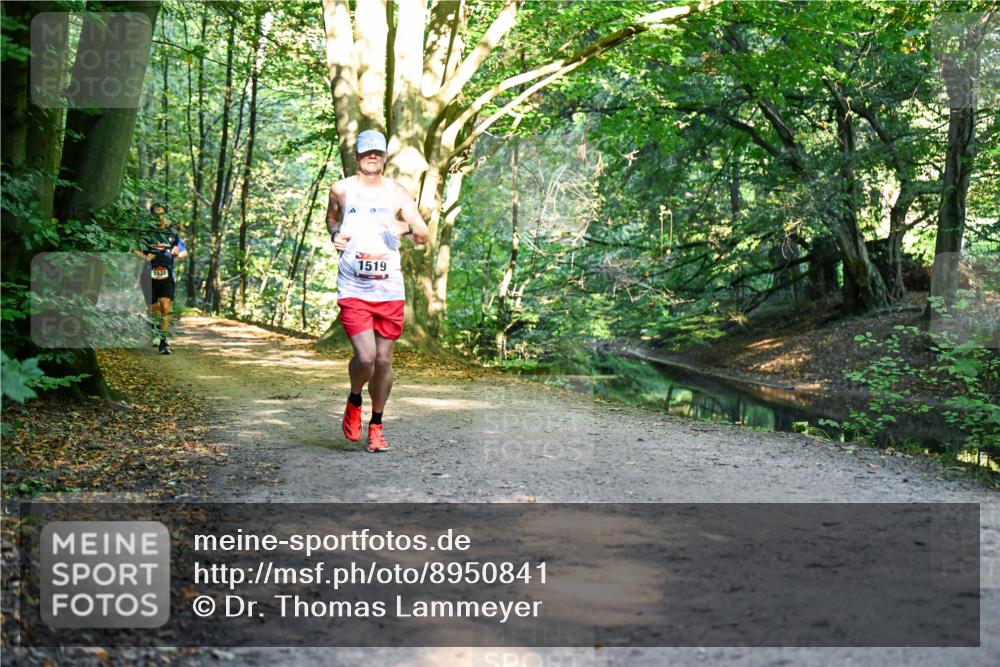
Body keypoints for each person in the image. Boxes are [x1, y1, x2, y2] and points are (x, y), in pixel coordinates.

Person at [326, 130, 429, 453]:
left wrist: (407, 227)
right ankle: (355, 398)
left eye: (378, 153)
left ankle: (376, 425)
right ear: (356, 156)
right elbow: (331, 220)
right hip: (354, 285)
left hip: (388, 288)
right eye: (367, 152)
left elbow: (424, 235)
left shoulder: (397, 193)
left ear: (385, 158)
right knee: (366, 356)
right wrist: (335, 236)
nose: (373, 157)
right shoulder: (340, 189)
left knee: (384, 361)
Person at [136, 203, 187, 355]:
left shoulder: (172, 233)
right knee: (153, 308)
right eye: (156, 214)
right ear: (151, 215)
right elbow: (134, 250)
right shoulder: (147, 233)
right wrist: (145, 257)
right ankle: (154, 328)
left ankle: (163, 342)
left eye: (161, 213)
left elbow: (184, 253)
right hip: (148, 274)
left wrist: (177, 253)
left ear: (165, 214)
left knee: (165, 306)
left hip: (166, 274)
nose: (159, 216)